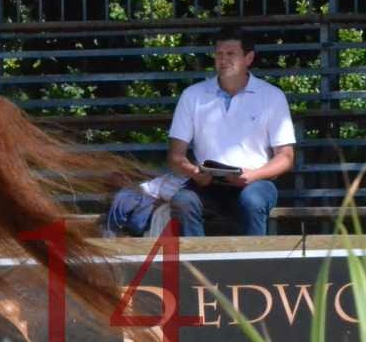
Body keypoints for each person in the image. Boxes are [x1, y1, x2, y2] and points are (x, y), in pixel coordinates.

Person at [104, 27, 295, 237]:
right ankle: (197, 262)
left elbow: (285, 157)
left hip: (256, 182)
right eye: (219, 54)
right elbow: (176, 156)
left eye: (231, 54)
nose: (223, 60)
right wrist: (195, 173)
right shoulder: (193, 96)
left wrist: (253, 175)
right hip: (208, 184)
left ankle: (253, 266)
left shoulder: (272, 96)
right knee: (183, 202)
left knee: (252, 200)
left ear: (249, 58)